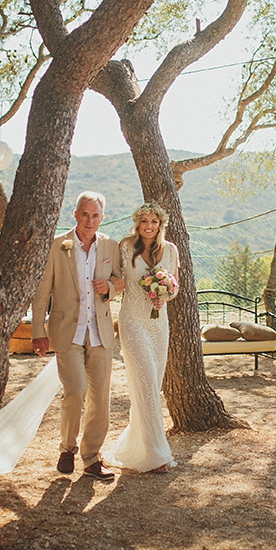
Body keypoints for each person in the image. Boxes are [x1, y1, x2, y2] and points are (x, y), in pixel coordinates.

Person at [31, 192, 119, 481]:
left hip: (100, 332)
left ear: (101, 218)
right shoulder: (58, 246)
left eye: (95, 215)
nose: (89, 220)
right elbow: (42, 291)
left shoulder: (110, 246)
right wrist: (37, 332)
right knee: (76, 390)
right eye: (85, 214)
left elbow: (121, 281)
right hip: (67, 331)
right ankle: (66, 449)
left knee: (100, 398)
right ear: (76, 214)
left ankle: (92, 458)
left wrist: (109, 287)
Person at [106, 202, 180, 474]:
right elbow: (115, 276)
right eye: (144, 221)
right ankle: (156, 454)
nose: (149, 226)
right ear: (137, 223)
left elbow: (176, 285)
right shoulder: (125, 247)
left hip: (159, 324)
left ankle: (137, 445)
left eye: (154, 221)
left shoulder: (170, 249)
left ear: (161, 224)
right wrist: (114, 284)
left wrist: (165, 296)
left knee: (151, 386)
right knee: (147, 382)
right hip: (132, 321)